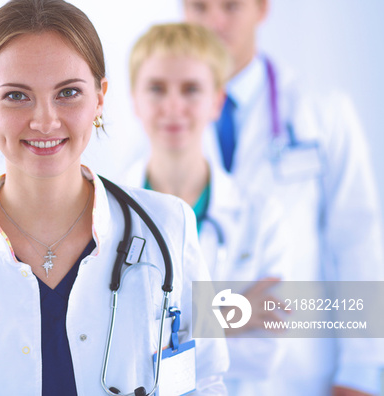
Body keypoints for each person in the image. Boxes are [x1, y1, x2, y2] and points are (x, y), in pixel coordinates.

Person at [0, 0, 228, 396]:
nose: (44, 121)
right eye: (17, 95)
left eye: (68, 92)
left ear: (100, 97)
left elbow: (207, 378)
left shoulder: (172, 226)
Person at [181, 0, 384, 395]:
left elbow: (356, 241)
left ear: (263, 8)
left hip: (298, 371)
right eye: (199, 6)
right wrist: (219, 315)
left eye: (231, 6)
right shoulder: (160, 121)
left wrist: (361, 370)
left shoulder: (322, 112)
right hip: (194, 373)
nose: (214, 22)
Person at [125, 22, 291, 392]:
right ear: (134, 99)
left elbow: (267, 351)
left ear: (218, 100)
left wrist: (161, 332)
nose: (172, 106)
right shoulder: (105, 214)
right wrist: (229, 315)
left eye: (191, 89)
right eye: (156, 89)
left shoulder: (260, 214)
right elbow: (108, 345)